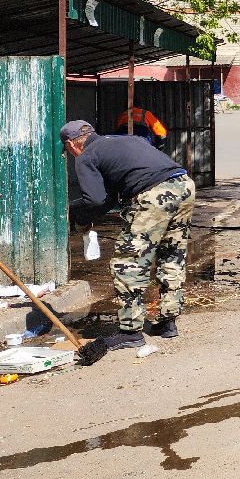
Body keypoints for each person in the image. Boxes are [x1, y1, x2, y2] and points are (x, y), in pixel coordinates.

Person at [60, 119, 195, 349]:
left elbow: (94, 200)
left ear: (72, 145)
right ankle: (168, 322)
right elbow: (109, 198)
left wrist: (79, 219)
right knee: (171, 255)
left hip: (154, 194)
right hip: (184, 185)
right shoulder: (122, 141)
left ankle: (131, 332)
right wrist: (90, 214)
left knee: (128, 262)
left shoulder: (86, 156)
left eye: (68, 151)